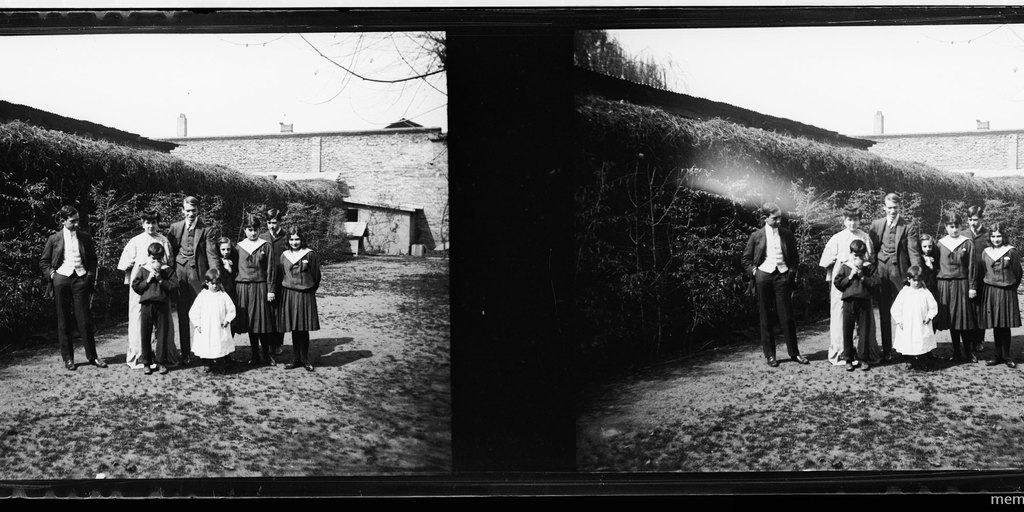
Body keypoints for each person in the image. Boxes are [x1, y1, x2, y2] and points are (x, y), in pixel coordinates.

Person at [741, 203, 807, 368]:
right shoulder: (756, 236)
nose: (778, 221)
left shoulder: (787, 234)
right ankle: (770, 355)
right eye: (774, 218)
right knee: (766, 317)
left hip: (782, 277)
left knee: (787, 316)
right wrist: (756, 273)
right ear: (765, 218)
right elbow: (746, 259)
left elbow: (794, 257)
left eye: (780, 218)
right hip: (764, 277)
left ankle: (795, 353)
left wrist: (790, 273)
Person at [39, 205, 106, 371]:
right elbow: (44, 262)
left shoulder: (85, 237)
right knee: (64, 321)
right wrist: (53, 276)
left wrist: (89, 275)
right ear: (63, 221)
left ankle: (93, 357)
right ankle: (68, 359)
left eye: (78, 220)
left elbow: (92, 260)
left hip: (80, 280)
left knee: (85, 320)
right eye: (72, 221)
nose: (76, 224)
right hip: (61, 280)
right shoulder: (54, 239)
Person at [117, 209, 176, 370]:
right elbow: (124, 264)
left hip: (159, 286)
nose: (151, 226)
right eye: (148, 222)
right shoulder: (135, 241)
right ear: (142, 224)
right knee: (138, 320)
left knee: (163, 322)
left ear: (158, 224)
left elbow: (170, 263)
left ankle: (163, 357)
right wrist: (137, 268)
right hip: (141, 285)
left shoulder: (163, 241)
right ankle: (141, 357)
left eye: (154, 222)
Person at [868, 192, 922, 362]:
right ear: (884, 207)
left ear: (900, 207)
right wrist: (870, 271)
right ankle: (887, 350)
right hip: (882, 271)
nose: (892, 211)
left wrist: (916, 274)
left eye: (895, 208)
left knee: (906, 311)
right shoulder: (876, 225)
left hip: (900, 273)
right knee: (884, 311)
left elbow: (914, 252)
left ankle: (908, 349)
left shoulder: (908, 226)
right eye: (889, 208)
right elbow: (872, 251)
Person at [167, 196, 221, 366]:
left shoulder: (207, 230)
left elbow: (212, 254)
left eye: (194, 211)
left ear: (198, 211)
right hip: (180, 275)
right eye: (187, 211)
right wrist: (170, 275)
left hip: (198, 276)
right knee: (183, 315)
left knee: (204, 315)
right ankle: (185, 353)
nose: (190, 214)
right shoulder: (175, 228)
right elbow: (170, 253)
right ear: (182, 211)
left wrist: (214, 277)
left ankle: (206, 353)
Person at [819, 205, 873, 366]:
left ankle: (864, 352)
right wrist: (840, 261)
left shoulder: (865, 237)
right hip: (843, 282)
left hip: (861, 283)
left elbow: (870, 259)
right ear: (844, 220)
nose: (853, 223)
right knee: (840, 315)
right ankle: (842, 352)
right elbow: (825, 261)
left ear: (859, 220)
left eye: (856, 219)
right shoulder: (837, 238)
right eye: (849, 219)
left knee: (864, 317)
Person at [933, 212, 979, 363]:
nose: (954, 230)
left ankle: (969, 351)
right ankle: (956, 352)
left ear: (961, 226)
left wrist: (972, 286)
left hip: (962, 284)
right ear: (946, 227)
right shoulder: (940, 243)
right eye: (951, 227)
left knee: (964, 319)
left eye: (957, 226)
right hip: (945, 285)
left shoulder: (967, 243)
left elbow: (972, 267)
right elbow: (934, 265)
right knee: (952, 319)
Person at [235, 214, 278, 366]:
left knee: (262, 322)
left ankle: (266, 354)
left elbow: (271, 269)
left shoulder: (266, 245)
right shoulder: (239, 246)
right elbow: (234, 267)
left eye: (255, 230)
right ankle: (254, 355)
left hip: (260, 287)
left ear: (260, 230)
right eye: (249, 229)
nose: (252, 233)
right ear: (245, 230)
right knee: (250, 323)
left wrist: (271, 289)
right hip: (243, 288)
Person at [130, 242, 179, 375]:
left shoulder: (167, 270)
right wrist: (148, 280)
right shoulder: (144, 269)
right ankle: (146, 362)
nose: (156, 261)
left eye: (158, 258)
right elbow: (135, 286)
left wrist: (161, 280)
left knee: (162, 333)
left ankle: (161, 362)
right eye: (153, 258)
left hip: (162, 305)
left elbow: (174, 287)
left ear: (162, 257)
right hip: (147, 305)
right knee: (145, 333)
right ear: (149, 256)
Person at [833, 239, 881, 371]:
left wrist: (862, 277)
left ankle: (863, 359)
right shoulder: (846, 266)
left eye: (861, 255)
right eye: (855, 255)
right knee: (847, 330)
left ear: (864, 254)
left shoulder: (869, 267)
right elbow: (837, 283)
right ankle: (848, 359)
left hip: (864, 302)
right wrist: (849, 277)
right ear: (850, 254)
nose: (858, 258)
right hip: (849, 302)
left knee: (864, 330)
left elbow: (876, 283)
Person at [278, 227, 322, 372]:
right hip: (289, 294)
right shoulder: (284, 255)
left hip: (305, 295)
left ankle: (305, 359)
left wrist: (308, 290)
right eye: (291, 239)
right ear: (288, 240)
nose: (294, 242)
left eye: (297, 239)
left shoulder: (309, 255)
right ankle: (296, 358)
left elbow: (316, 276)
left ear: (302, 240)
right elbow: (282, 274)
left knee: (303, 328)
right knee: (294, 328)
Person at [979, 222, 1021, 368]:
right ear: (989, 237)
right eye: (993, 236)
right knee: (996, 324)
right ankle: (997, 355)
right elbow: (984, 270)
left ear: (1003, 236)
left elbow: (1017, 272)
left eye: (999, 236)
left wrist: (1009, 286)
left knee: (1005, 324)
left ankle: (1007, 356)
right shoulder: (986, 252)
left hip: (1007, 290)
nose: (996, 239)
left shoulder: (1011, 251)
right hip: (991, 290)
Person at [189, 268, 237, 374]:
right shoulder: (203, 295)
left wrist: (227, 320)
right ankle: (207, 362)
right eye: (212, 283)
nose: (215, 286)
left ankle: (220, 363)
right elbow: (193, 311)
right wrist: (197, 324)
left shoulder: (223, 295)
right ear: (207, 283)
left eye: (217, 283)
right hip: (206, 326)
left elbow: (231, 309)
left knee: (219, 344)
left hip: (219, 326)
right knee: (207, 344)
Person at [891, 265, 939, 369]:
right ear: (908, 279)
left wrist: (929, 317)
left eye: (919, 280)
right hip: (908, 323)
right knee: (908, 340)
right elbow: (895, 308)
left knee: (921, 340)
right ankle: (909, 360)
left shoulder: (925, 292)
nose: (917, 283)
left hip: (921, 323)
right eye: (914, 280)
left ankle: (922, 360)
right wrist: (899, 321)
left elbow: (933, 306)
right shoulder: (904, 292)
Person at [260, 208, 289, 356]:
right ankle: (267, 344)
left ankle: (278, 343)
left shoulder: (286, 238)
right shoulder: (262, 238)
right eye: (269, 222)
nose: (271, 226)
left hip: (281, 281)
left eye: (274, 222)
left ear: (280, 221)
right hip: (264, 281)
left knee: (279, 313)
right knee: (267, 313)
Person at [961, 205, 988, 354]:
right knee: (968, 309)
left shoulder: (988, 235)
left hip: (983, 278)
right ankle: (969, 340)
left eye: (976, 219)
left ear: (982, 218)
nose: (973, 223)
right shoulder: (963, 234)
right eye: (970, 219)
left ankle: (979, 340)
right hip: (966, 278)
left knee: (980, 310)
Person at [216, 236, 243, 335]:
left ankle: (230, 342)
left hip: (231, 292)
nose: (226, 252)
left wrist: (230, 269)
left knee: (231, 318)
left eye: (228, 249)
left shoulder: (233, 260)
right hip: (220, 292)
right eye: (223, 249)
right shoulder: (216, 262)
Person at [919, 233, 940, 301]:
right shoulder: (917, 258)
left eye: (930, 246)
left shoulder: (935, 254)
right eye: (924, 246)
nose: (927, 249)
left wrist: (931, 266)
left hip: (932, 286)